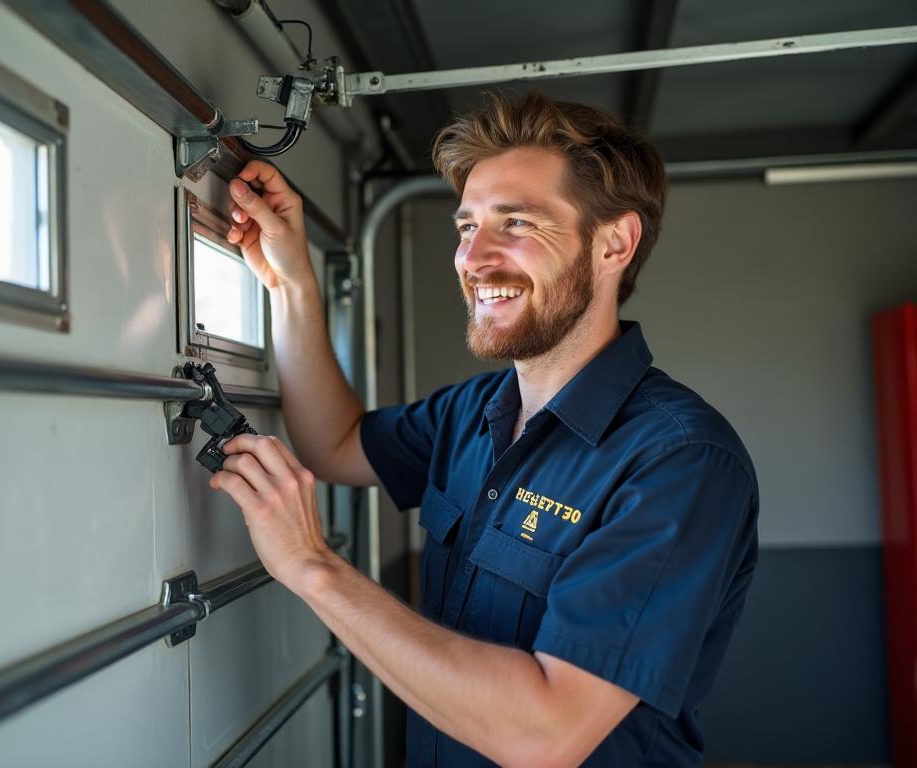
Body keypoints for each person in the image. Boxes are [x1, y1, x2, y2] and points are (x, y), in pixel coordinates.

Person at [212, 91, 759, 767]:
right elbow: (336, 444)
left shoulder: (678, 459)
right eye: (467, 227)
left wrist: (313, 567)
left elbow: (546, 734)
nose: (473, 259)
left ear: (614, 243)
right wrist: (290, 284)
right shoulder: (472, 413)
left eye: (517, 223)